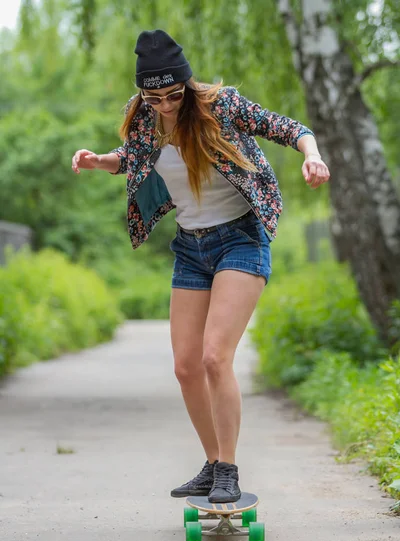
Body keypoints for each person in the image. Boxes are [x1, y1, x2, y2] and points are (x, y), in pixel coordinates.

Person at [72, 29, 330, 503]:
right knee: (186, 367)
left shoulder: (221, 105)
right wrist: (99, 162)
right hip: (190, 247)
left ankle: (229, 468)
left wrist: (312, 158)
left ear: (186, 84)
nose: (167, 105)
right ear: (143, 92)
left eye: (174, 95)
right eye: (155, 97)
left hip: (240, 239)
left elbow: (291, 129)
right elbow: (133, 159)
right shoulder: (146, 119)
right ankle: (212, 465)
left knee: (215, 357)